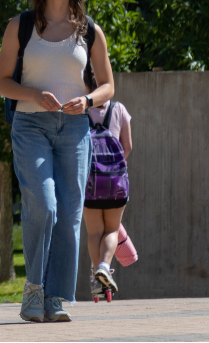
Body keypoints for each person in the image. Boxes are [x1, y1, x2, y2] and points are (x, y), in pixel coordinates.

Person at [0, 0, 114, 323]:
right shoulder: (21, 25)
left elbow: (109, 85)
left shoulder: (90, 30)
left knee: (69, 213)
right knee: (43, 205)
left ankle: (55, 298)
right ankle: (33, 289)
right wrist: (32, 94)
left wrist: (89, 99)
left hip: (75, 128)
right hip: (31, 125)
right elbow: (2, 83)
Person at [83, 98, 131, 296]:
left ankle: (97, 279)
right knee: (111, 230)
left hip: (89, 184)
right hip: (115, 184)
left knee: (94, 233)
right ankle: (104, 266)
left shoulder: (79, 109)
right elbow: (127, 146)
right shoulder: (119, 109)